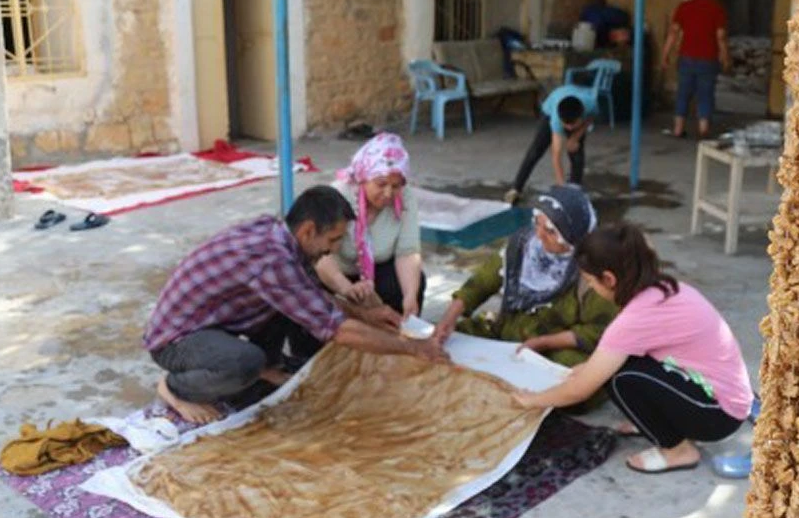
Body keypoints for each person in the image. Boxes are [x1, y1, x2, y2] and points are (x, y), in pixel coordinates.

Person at [143, 185, 445, 424]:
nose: (334, 249)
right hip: (175, 340)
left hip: (211, 325)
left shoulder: (278, 235)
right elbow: (338, 330)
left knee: (287, 313)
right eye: (333, 239)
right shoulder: (272, 258)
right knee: (242, 364)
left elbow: (313, 298)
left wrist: (367, 313)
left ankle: (268, 367)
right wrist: (413, 348)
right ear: (308, 230)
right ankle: (175, 388)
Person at [512, 223, 754, 474]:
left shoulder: (635, 318)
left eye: (590, 282)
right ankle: (659, 422)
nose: (591, 289)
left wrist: (532, 400)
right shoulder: (668, 289)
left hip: (718, 415)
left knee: (619, 379)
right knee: (616, 368)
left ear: (609, 278)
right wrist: (588, 367)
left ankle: (677, 450)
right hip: (725, 397)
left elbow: (580, 391)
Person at [434, 185, 617, 369]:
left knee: (576, 369)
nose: (539, 235)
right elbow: (482, 282)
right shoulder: (523, 246)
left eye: (551, 231)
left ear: (571, 237)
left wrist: (544, 343)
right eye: (537, 223)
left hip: (551, 348)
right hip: (506, 330)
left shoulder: (591, 273)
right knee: (446, 340)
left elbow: (598, 330)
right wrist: (449, 318)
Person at [318, 133, 426, 318]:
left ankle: (396, 336)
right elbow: (320, 256)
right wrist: (347, 289)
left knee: (412, 283)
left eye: (396, 186)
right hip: (335, 275)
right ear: (363, 177)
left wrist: (409, 296)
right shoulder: (338, 195)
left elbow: (407, 252)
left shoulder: (405, 197)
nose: (388, 193)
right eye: (381, 184)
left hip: (375, 273)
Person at [661, 0, 732, 139]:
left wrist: (665, 55)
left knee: (683, 94)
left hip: (686, 58)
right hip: (708, 60)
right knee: (705, 94)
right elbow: (720, 37)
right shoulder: (717, 9)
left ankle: (678, 129)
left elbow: (673, 33)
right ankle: (703, 129)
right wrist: (725, 57)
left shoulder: (685, 6)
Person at [504, 93, 595, 206]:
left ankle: (575, 191)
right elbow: (556, 155)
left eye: (573, 125)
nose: (570, 129)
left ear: (581, 117)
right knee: (536, 150)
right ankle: (516, 188)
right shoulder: (556, 120)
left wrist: (575, 136)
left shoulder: (592, 104)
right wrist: (562, 189)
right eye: (567, 126)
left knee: (576, 152)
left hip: (579, 113)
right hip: (549, 111)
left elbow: (590, 119)